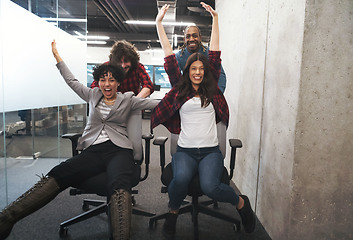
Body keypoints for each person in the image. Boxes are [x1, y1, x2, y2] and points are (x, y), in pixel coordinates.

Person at [0, 40, 159, 240]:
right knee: (60, 172)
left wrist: (188, 95)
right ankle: (7, 217)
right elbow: (71, 81)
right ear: (98, 82)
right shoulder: (92, 94)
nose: (107, 84)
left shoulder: (128, 99)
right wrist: (58, 58)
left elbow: (156, 103)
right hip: (93, 149)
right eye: (103, 80)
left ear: (118, 82)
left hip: (120, 149)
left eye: (111, 80)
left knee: (120, 184)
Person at [151, 3, 256, 238]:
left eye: (201, 68)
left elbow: (216, 54)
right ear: (187, 71)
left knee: (212, 187)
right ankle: (173, 212)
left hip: (210, 151)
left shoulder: (212, 90)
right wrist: (159, 24)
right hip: (185, 151)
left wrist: (216, 19)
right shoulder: (180, 89)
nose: (198, 72)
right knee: (179, 181)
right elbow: (169, 56)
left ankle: (241, 204)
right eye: (193, 68)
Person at [175, 16, 227, 93]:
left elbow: (221, 76)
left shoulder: (209, 53)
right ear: (184, 39)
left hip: (207, 91)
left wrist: (217, 95)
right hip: (189, 93)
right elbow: (175, 79)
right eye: (188, 36)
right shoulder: (179, 56)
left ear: (200, 38)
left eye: (195, 36)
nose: (191, 39)